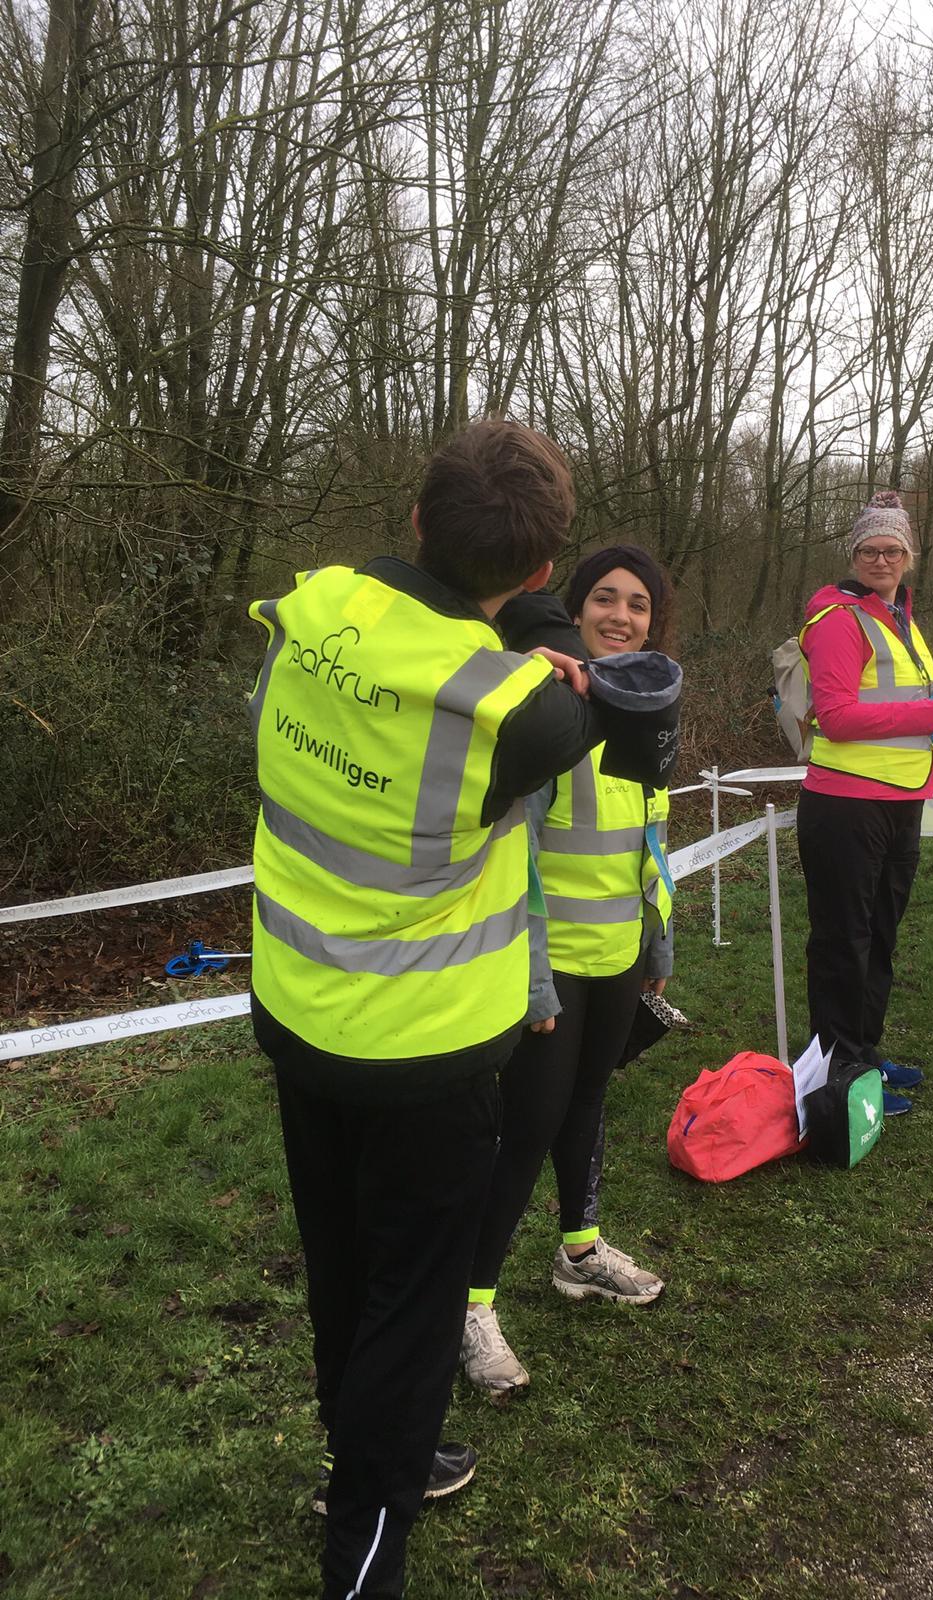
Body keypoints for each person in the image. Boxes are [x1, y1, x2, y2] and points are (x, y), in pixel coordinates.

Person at [247, 422, 675, 1600]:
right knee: (415, 1308)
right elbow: (578, 687)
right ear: (545, 575)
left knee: (343, 1269)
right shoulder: (523, 714)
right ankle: (365, 1555)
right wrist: (551, 643)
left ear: (419, 519)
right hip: (429, 1057)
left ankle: (373, 1456)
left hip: (297, 1017)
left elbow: (479, 623)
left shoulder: (310, 606)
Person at [461, 545, 676, 1395]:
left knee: (588, 1105)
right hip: (551, 971)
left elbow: (650, 840)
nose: (622, 617)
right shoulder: (550, 710)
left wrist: (656, 943)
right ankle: (469, 1305)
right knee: (527, 1129)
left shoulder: (652, 708)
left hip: (619, 955)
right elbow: (516, 861)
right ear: (575, 611)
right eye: (605, 600)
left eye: (639, 607)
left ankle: (579, 1251)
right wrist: (534, 980)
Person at [795, 489, 933, 1113]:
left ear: (908, 556)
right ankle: (838, 1069)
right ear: (852, 554)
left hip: (902, 799)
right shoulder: (836, 619)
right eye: (868, 549)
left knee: (879, 936)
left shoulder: (898, 618)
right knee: (844, 942)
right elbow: (835, 715)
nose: (881, 559)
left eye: (892, 549)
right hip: (846, 806)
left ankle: (865, 1054)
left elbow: (891, 696)